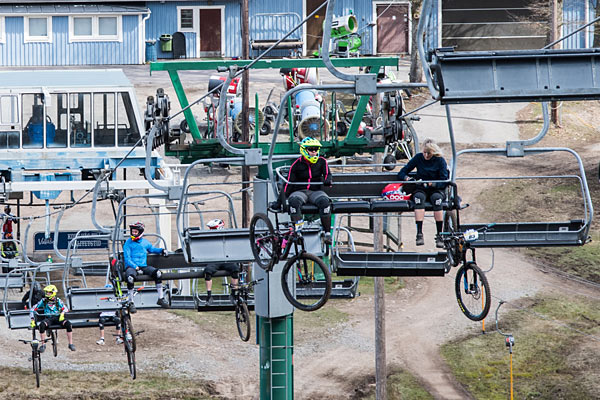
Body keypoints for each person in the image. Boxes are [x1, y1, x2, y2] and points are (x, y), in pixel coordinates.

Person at [397, 138, 449, 248]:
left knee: (437, 201)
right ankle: (419, 233)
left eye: (428, 153)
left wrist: (433, 184)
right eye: (424, 152)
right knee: (418, 199)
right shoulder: (418, 158)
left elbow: (444, 180)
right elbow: (403, 171)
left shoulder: (440, 160)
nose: (426, 155)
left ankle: (440, 234)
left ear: (433, 152)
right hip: (421, 188)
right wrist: (408, 179)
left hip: (435, 189)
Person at [284, 137, 333, 244]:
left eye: (316, 149)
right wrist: (281, 200)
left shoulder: (322, 161)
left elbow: (327, 174)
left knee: (325, 202)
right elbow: (289, 183)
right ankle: (298, 231)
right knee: (294, 202)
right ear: (304, 150)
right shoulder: (296, 165)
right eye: (311, 149)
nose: (314, 152)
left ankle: (327, 233)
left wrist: (327, 180)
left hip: (315, 191)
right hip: (300, 191)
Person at [123, 221, 170, 310]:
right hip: (132, 267)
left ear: (140, 233)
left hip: (143, 266)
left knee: (158, 273)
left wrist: (162, 250)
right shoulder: (128, 243)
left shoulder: (145, 242)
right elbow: (127, 258)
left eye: (135, 232)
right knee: (130, 278)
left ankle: (160, 298)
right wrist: (135, 267)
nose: (133, 233)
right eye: (132, 231)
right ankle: (131, 302)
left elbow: (152, 249)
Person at [203, 219, 240, 306]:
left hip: (225, 260)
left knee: (235, 270)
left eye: (213, 229)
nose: (211, 231)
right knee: (207, 272)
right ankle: (209, 296)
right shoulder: (208, 238)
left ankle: (233, 294)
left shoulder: (226, 236)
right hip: (214, 261)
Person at [30, 284, 76, 352]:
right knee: (42, 326)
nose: (47, 294)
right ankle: (43, 345)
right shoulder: (43, 301)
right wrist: (32, 319)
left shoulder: (58, 301)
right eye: (47, 292)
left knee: (68, 324)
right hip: (49, 318)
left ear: (53, 293)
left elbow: (65, 308)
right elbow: (33, 309)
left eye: (49, 292)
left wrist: (62, 314)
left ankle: (70, 344)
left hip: (58, 317)